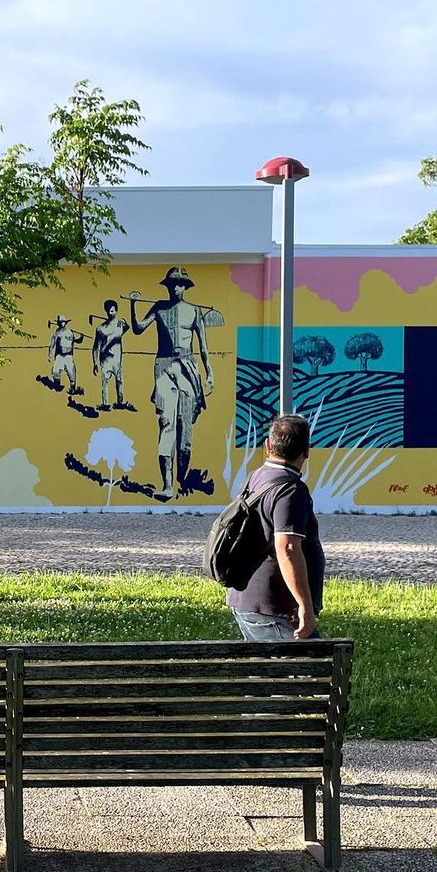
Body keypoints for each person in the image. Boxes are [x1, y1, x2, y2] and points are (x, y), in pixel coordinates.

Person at [227, 414, 325, 641]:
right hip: (275, 608)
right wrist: (304, 606)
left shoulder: (255, 478)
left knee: (267, 666)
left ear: (268, 446)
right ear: (307, 450)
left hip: (246, 598)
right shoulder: (290, 491)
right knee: (313, 663)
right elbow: (287, 548)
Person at [128, 267, 214, 497]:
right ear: (166, 286)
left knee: (185, 432)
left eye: (179, 284)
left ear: (185, 287)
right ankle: (167, 485)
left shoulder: (194, 310)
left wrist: (209, 374)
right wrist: (133, 305)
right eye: (172, 284)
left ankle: (181, 479)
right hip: (164, 367)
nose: (175, 287)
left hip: (188, 368)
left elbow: (203, 347)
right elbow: (138, 329)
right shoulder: (159, 307)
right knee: (166, 424)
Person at [91, 299, 128, 408]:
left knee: (119, 381)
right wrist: (95, 363)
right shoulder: (100, 329)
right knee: (105, 382)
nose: (110, 313)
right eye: (108, 311)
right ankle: (105, 404)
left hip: (117, 359)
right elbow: (95, 347)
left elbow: (127, 328)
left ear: (116, 311)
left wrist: (124, 323)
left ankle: (120, 403)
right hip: (105, 360)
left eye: (112, 311)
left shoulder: (120, 325)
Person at [46, 315, 84, 393]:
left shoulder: (70, 332)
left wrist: (81, 337)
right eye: (61, 322)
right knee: (55, 371)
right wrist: (49, 354)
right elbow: (52, 344)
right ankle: (57, 386)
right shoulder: (56, 333)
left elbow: (76, 341)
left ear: (66, 323)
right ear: (58, 323)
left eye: (63, 322)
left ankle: (73, 389)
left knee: (71, 373)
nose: (62, 323)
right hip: (59, 356)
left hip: (69, 356)